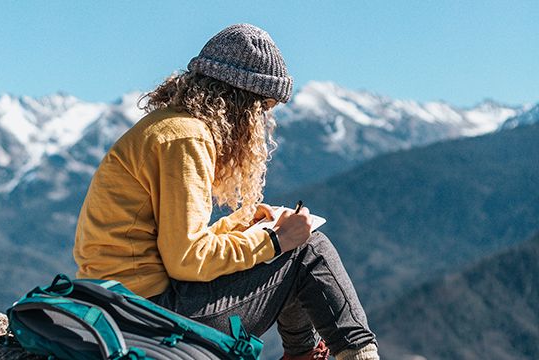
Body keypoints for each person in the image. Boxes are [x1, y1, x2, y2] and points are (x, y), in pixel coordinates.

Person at [73, 23, 379, 360]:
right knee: (308, 249)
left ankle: (302, 353)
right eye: (262, 109)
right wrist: (275, 241)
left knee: (291, 247)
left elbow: (168, 245)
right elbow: (186, 260)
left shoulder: (167, 127)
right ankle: (356, 354)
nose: (261, 122)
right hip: (147, 316)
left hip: (118, 303)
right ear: (241, 103)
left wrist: (241, 225)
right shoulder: (186, 139)